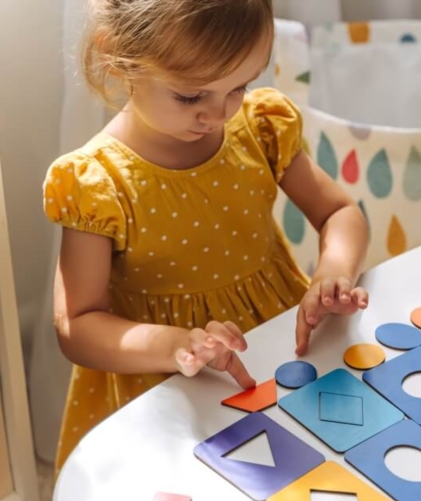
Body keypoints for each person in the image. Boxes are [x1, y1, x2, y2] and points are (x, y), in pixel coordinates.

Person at [42, 0, 369, 477]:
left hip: (275, 342)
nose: (217, 114)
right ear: (116, 55)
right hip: (161, 380)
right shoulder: (97, 182)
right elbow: (77, 324)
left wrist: (333, 272)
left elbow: (339, 211)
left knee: (305, 477)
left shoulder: (258, 127)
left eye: (239, 86)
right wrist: (176, 344)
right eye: (191, 96)